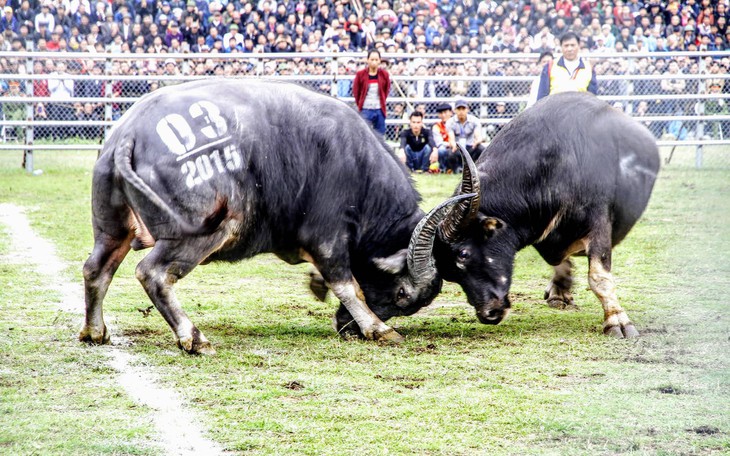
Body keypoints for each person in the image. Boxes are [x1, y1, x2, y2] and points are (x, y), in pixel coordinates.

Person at [536, 31, 597, 101]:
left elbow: (593, 97)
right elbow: (542, 95)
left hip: (581, 109)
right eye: (566, 45)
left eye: (573, 45)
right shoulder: (550, 66)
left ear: (579, 45)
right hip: (555, 109)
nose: (569, 49)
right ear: (561, 47)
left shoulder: (589, 67)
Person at [352, 49, 390, 135]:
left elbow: (386, 89)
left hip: (379, 109)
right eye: (372, 59)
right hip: (366, 109)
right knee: (364, 134)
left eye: (376, 60)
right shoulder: (360, 74)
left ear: (380, 60)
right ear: (367, 60)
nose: (374, 62)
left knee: (380, 135)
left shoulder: (384, 74)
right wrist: (361, 103)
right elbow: (356, 91)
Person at [431, 102, 460, 173]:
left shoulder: (457, 124)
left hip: (456, 146)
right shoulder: (436, 126)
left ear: (451, 113)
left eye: (445, 112)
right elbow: (439, 143)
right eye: (441, 113)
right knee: (441, 150)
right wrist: (450, 144)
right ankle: (442, 168)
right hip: (446, 147)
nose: (443, 115)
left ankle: (459, 168)